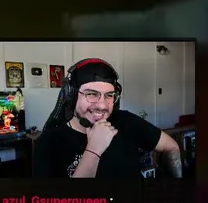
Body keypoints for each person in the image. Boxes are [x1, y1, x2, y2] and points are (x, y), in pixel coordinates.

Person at [33, 58, 183, 180]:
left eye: (109, 95)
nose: (102, 105)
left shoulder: (126, 121)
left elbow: (171, 146)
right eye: (91, 94)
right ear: (71, 96)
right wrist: (94, 150)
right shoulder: (48, 143)